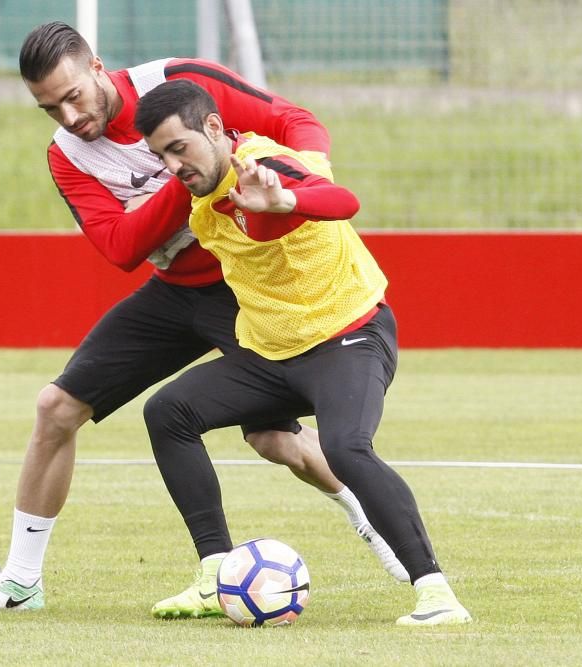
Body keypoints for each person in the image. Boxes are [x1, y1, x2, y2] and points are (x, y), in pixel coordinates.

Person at [0, 22, 407, 618]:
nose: (67, 115)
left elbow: (295, 121)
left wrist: (306, 176)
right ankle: (21, 583)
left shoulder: (181, 83)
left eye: (73, 95)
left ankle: (374, 527)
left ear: (98, 68)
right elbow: (120, 246)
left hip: (244, 289)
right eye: (48, 107)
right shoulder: (67, 157)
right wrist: (195, 177)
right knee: (56, 408)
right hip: (172, 294)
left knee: (272, 437)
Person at [133, 79, 473, 626]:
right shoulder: (202, 204)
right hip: (271, 355)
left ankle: (436, 594)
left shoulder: (265, 164)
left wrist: (285, 198)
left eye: (180, 148)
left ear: (215, 128)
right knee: (169, 411)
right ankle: (215, 570)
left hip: (349, 337)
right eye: (160, 156)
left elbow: (344, 201)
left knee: (346, 449)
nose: (173, 165)